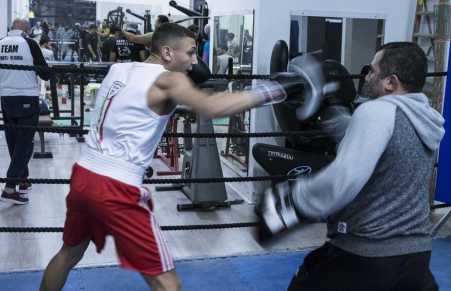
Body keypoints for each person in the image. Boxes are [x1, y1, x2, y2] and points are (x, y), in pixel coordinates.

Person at [39, 22, 305, 291]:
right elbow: (211, 107)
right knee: (168, 284)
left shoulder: (119, 69)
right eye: (190, 53)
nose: (194, 62)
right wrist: (275, 90)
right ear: (167, 53)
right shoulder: (169, 79)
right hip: (117, 188)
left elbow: (153, 58)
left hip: (84, 175)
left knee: (68, 254)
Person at [258, 42, 445, 291]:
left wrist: (291, 201)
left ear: (391, 82)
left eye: (373, 70)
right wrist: (330, 107)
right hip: (416, 257)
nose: (366, 76)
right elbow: (375, 141)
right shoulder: (423, 118)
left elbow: (343, 179)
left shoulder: (376, 112)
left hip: (365, 256)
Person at [0, 19, 52, 204]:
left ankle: (23, 182)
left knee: (14, 142)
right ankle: (9, 188)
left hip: (5, 99)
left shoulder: (1, 43)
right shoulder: (29, 43)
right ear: (26, 29)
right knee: (25, 145)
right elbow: (45, 73)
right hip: (26, 99)